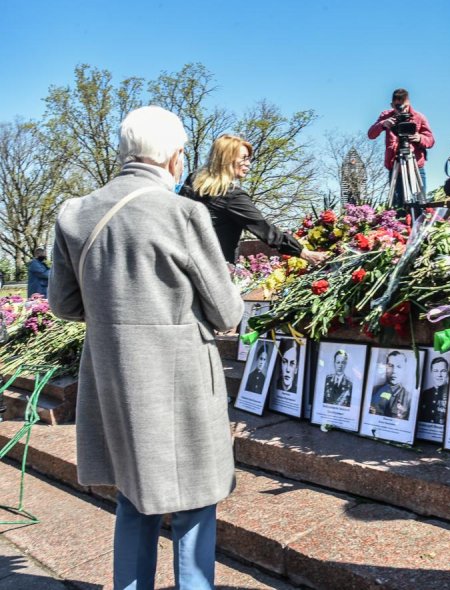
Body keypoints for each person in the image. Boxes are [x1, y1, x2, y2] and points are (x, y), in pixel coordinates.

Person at [48, 105, 244, 589]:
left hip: (113, 376)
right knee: (196, 498)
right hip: (180, 380)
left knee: (133, 492)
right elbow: (227, 312)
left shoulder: (74, 213)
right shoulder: (183, 213)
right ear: (176, 157)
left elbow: (64, 304)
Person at [180, 134, 327, 265]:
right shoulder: (232, 196)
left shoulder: (191, 183)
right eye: (244, 158)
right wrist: (303, 252)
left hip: (181, 266)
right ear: (226, 159)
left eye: (249, 158)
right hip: (212, 272)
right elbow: (263, 228)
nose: (248, 163)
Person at [367, 88, 435, 208]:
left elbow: (431, 140)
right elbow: (371, 134)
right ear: (392, 105)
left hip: (415, 165)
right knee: (398, 206)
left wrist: (419, 138)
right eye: (397, 106)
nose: (401, 110)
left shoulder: (419, 117)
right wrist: (382, 125)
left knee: (419, 203)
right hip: (395, 165)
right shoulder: (386, 115)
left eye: (404, 106)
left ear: (408, 103)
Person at [370, 350, 411, 419]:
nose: (394, 371)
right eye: (390, 366)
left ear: (404, 370)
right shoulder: (375, 390)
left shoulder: (409, 398)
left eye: (399, 366)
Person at [418, 356, 449, 424]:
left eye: (443, 371)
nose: (439, 375)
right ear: (431, 372)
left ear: (447, 372)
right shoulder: (425, 394)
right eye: (436, 371)